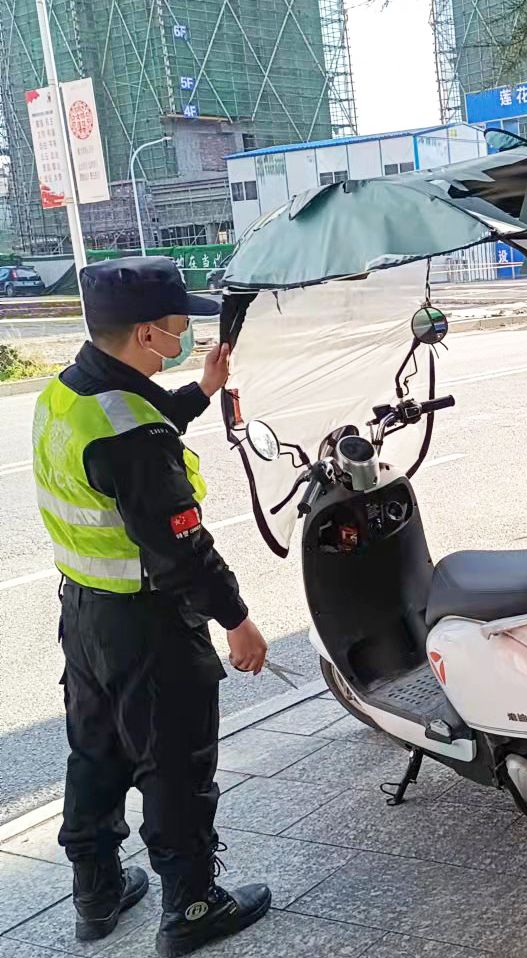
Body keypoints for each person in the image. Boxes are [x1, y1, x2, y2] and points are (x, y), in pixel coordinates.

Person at [31, 257, 272, 957]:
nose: (185, 334)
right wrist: (238, 620)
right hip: (147, 624)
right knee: (173, 762)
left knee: (96, 751)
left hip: (84, 617)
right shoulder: (132, 433)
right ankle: (193, 906)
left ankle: (97, 893)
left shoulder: (69, 392)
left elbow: (137, 418)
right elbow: (182, 550)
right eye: (177, 326)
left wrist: (201, 390)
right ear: (144, 333)